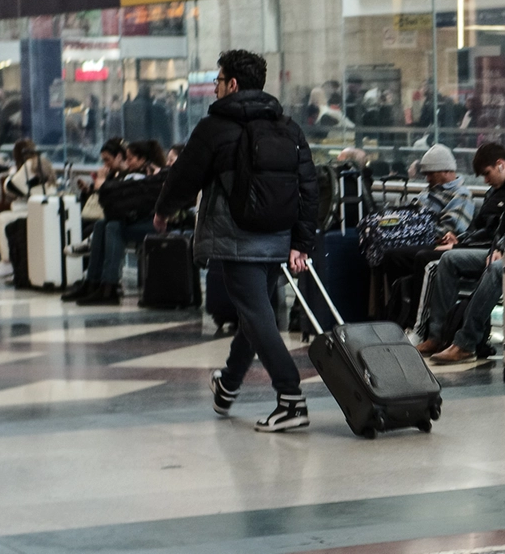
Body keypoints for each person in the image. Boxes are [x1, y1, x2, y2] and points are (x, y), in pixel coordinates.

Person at [152, 49, 319, 432]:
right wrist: (301, 242)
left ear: (233, 84)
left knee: (257, 317)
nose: (214, 88)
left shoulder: (215, 127)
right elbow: (310, 189)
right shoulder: (289, 127)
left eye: (217, 80)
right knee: (253, 315)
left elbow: (183, 177)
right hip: (277, 240)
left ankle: (291, 398)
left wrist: (163, 211)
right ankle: (228, 384)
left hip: (236, 239)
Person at [416, 143, 505, 363]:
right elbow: (484, 228)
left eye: (487, 173)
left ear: (500, 165)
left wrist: (499, 248)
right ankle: (438, 335)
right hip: (490, 248)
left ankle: (465, 342)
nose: (485, 180)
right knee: (447, 260)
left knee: (490, 269)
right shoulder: (495, 192)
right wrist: (460, 240)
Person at [375, 144, 476, 325]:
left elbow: (450, 229)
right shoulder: (428, 192)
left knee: (395, 257)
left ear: (445, 171)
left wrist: (413, 229)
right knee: (382, 252)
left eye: (431, 173)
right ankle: (395, 306)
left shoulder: (461, 195)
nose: (427, 178)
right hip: (420, 238)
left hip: (438, 243)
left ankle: (404, 311)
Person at [67, 140, 164, 305]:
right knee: (101, 224)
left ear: (142, 159)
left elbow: (122, 203)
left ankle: (109, 285)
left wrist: (103, 185)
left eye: (131, 158)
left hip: (154, 223)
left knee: (112, 226)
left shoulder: (147, 178)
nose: (128, 162)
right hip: (138, 220)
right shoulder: (130, 176)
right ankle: (93, 281)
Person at [0, 138, 55, 280]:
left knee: (3, 218)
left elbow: (11, 187)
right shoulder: (44, 163)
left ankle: (7, 261)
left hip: (34, 209)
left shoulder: (28, 165)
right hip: (45, 207)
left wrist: (12, 174)